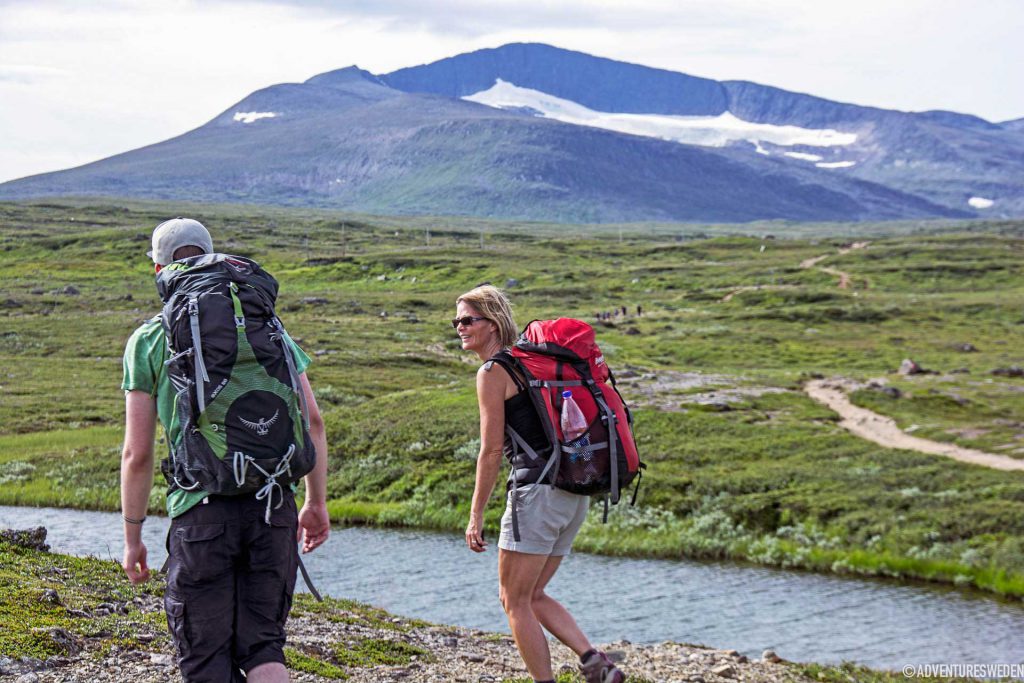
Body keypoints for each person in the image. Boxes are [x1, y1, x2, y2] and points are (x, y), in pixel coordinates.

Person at [120, 217, 330, 683]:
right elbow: (312, 420)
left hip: (200, 513)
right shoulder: (266, 324)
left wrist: (133, 537)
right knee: (264, 649)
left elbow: (138, 453)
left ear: (158, 270)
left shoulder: (150, 338)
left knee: (204, 660)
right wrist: (315, 503)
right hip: (274, 507)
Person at [457, 285, 626, 683]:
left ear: (492, 322)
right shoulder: (535, 363)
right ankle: (595, 664)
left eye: (467, 320)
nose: (459, 328)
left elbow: (491, 451)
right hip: (573, 494)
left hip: (535, 496)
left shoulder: (493, 372)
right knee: (532, 594)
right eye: (457, 321)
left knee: (513, 600)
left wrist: (475, 514)